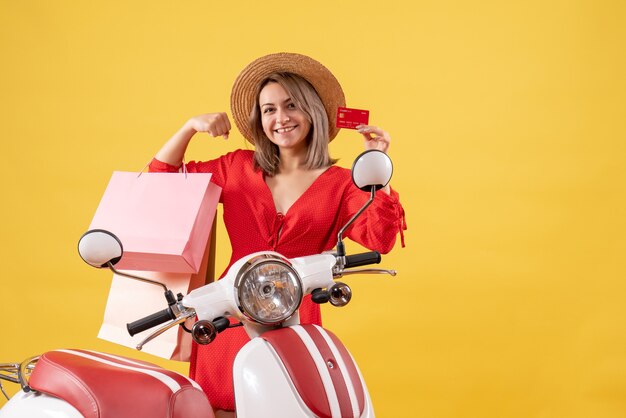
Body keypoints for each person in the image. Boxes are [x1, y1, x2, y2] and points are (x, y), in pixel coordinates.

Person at [149, 52, 406, 417]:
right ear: (259, 120)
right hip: (230, 314)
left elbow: (380, 239)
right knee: (222, 409)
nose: (280, 118)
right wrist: (189, 127)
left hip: (297, 316)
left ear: (312, 112)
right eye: (269, 110)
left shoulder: (343, 183)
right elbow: (161, 181)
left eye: (291, 106)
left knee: (294, 406)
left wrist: (376, 171)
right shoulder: (236, 167)